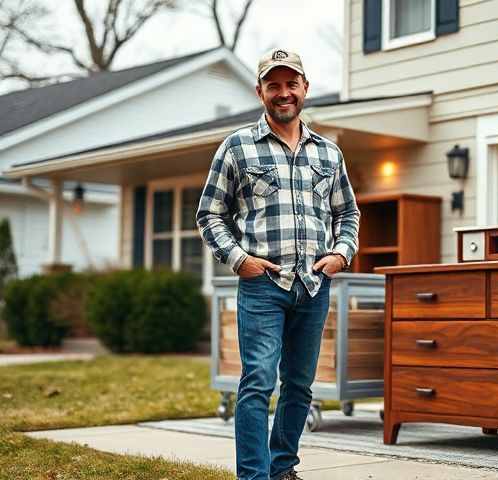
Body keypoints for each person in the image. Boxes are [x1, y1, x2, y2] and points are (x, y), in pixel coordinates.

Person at [196, 47, 360, 480]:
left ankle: (283, 468)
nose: (283, 93)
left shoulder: (329, 154)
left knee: (300, 387)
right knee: (258, 383)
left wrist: (342, 252)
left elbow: (348, 213)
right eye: (274, 85)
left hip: (312, 286)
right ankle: (253, 476)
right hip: (263, 286)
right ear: (260, 92)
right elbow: (210, 213)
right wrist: (239, 260)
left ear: (304, 88)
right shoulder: (237, 148)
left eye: (291, 84)